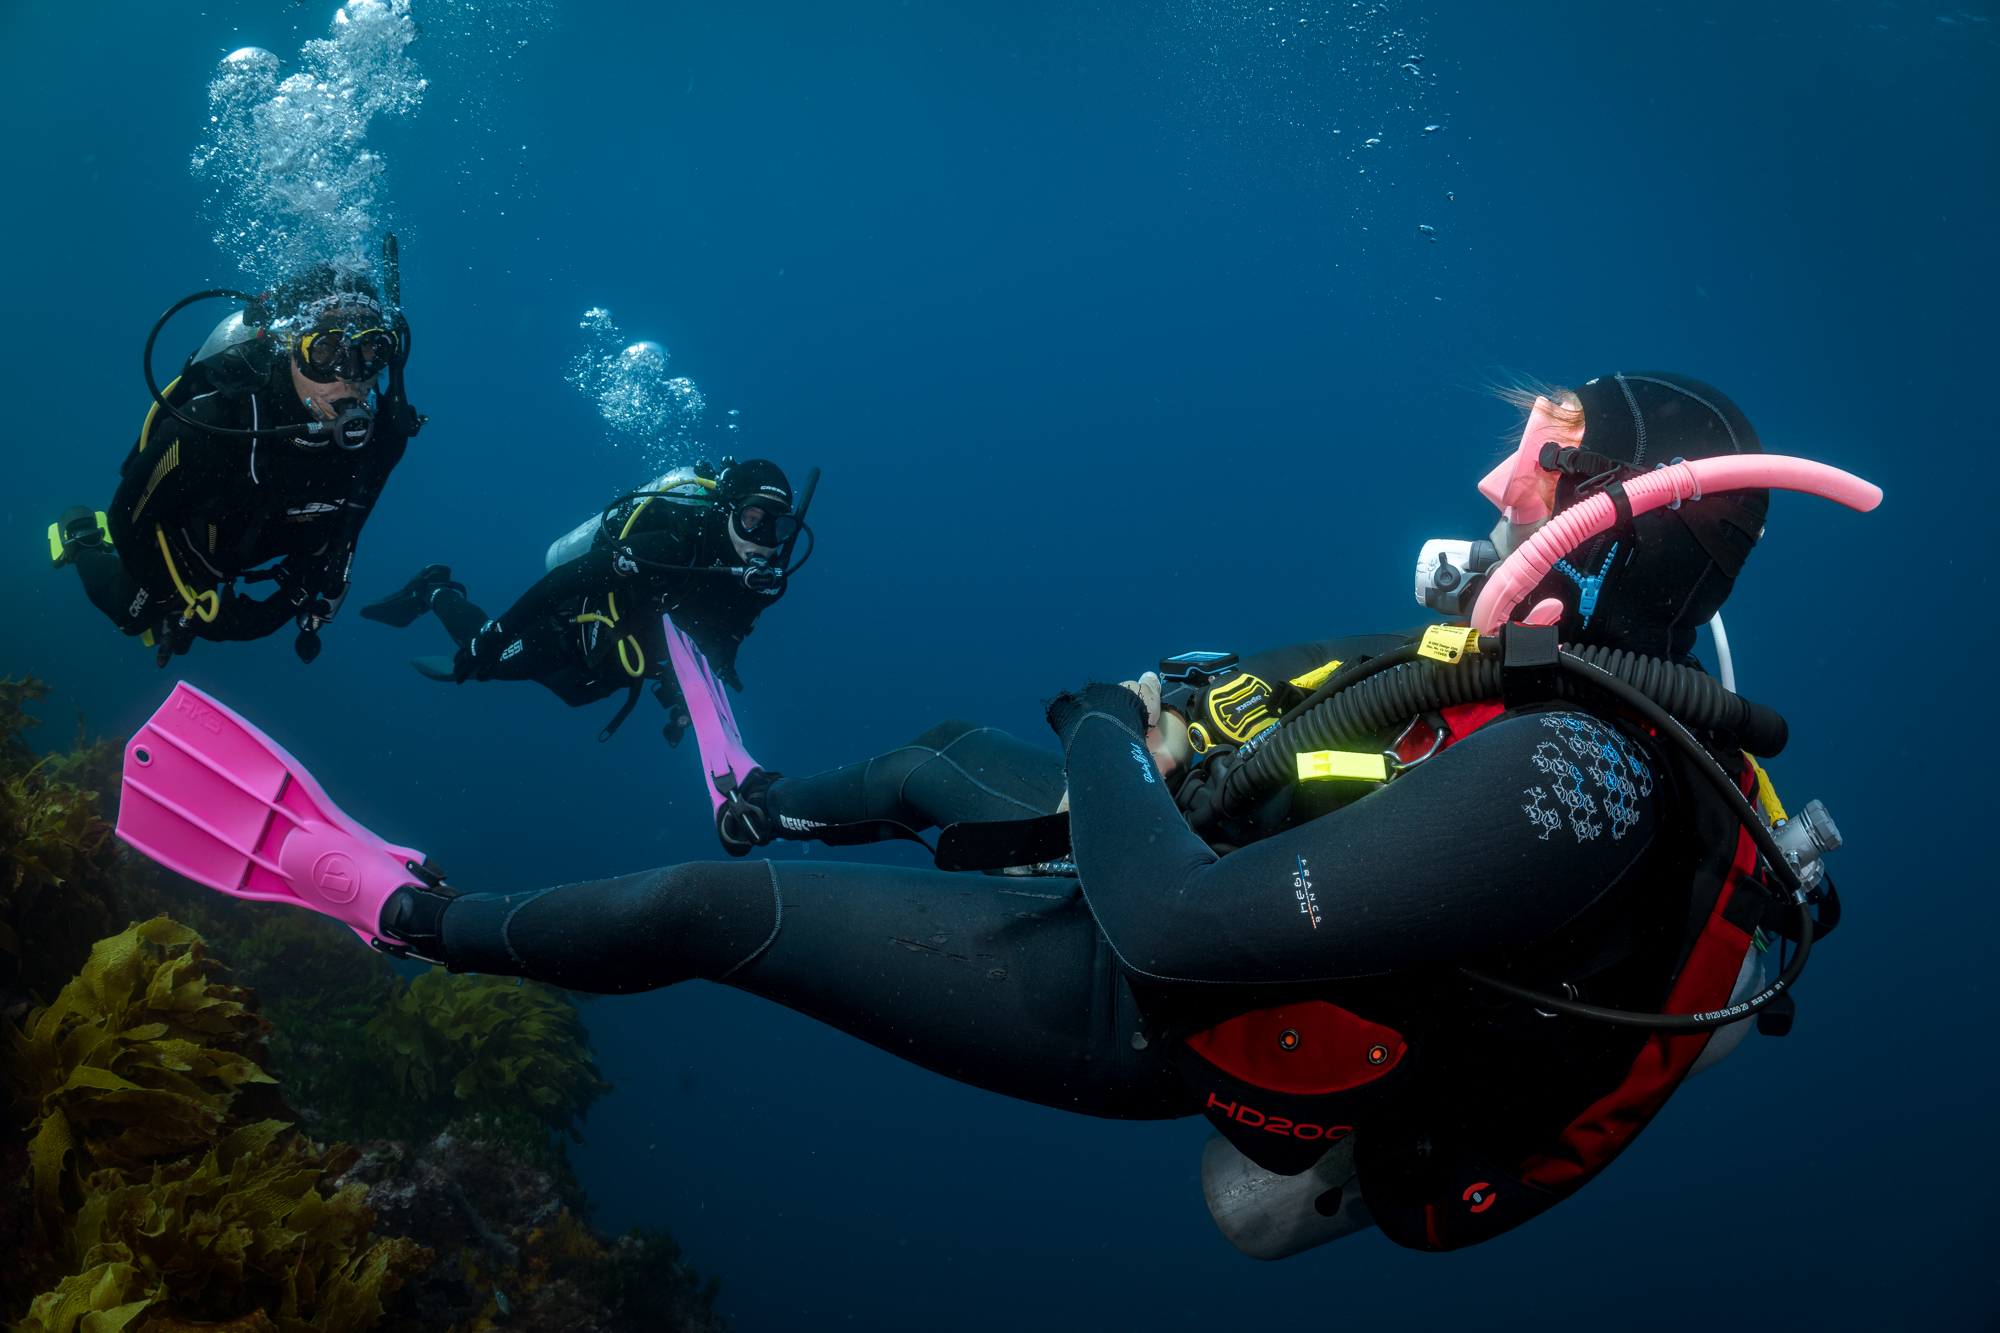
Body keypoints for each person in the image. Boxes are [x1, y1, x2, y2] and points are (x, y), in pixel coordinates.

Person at [123, 372, 1864, 1259]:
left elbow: (1178, 930)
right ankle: (763, 801)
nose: (1499, 481)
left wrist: (1109, 729)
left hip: (1175, 992)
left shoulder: (1581, 771)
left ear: (1613, 528)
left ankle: (391, 907)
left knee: (696, 921)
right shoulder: (1551, 687)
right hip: (1245, 868)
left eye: (1545, 459)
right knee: (929, 756)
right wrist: (1174, 727)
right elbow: (1307, 710)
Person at [50, 261, 421, 666]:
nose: (350, 376)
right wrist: (177, 599)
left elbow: (349, 525)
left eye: (371, 349)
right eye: (326, 350)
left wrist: (299, 591)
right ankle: (82, 539)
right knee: (132, 616)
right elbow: (126, 517)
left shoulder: (384, 437)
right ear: (288, 346)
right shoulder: (213, 426)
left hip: (253, 545)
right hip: (184, 547)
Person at [358, 459, 801, 743]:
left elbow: (725, 634)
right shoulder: (670, 546)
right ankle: (436, 589)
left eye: (777, 529)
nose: (763, 542)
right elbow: (563, 582)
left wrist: (688, 690)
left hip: (617, 660)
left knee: (571, 692)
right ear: (728, 510)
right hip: (571, 628)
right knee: (486, 665)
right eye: (752, 519)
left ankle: (470, 622)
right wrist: (496, 635)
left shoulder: (763, 583)